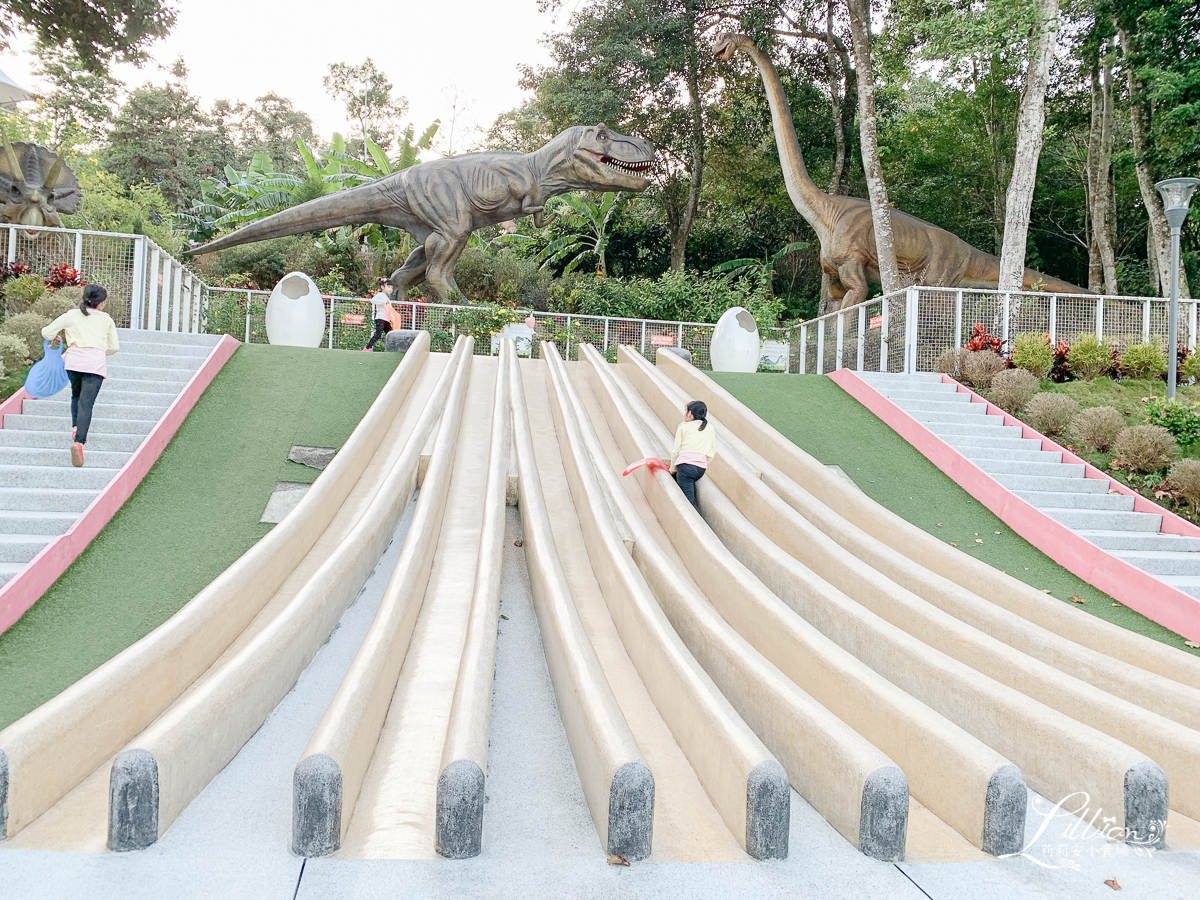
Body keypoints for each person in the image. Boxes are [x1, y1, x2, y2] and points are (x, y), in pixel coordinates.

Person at [42, 283, 119, 467]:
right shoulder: (106, 319)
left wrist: (57, 338)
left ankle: (76, 427)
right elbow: (114, 347)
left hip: (74, 362)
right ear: (101, 303)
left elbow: (47, 332)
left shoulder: (71, 315)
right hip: (95, 364)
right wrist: (99, 350)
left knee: (76, 396)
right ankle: (79, 441)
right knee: (87, 403)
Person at [669, 400, 715, 510]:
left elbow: (676, 451)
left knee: (688, 503)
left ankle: (699, 524)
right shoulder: (710, 428)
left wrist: (672, 469)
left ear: (690, 414)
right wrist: (703, 463)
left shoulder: (683, 427)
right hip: (700, 469)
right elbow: (712, 451)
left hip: (685, 468)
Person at [363, 278, 395, 351]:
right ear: (382, 287)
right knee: (378, 334)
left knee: (390, 334)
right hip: (381, 318)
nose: (390, 289)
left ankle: (392, 349)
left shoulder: (387, 298)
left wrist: (392, 317)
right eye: (388, 287)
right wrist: (383, 301)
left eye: (391, 287)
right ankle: (367, 348)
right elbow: (373, 300)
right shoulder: (380, 295)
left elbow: (389, 309)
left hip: (386, 319)